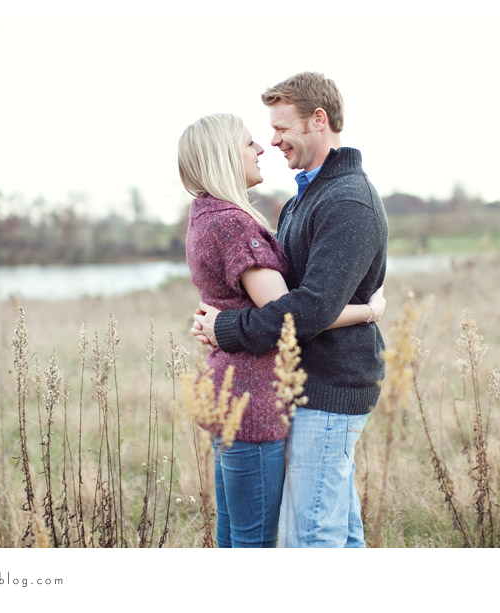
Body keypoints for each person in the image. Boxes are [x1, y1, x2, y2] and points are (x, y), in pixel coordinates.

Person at [192, 73, 389, 548]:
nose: (272, 141)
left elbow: (310, 309)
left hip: (330, 387)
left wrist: (228, 328)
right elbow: (288, 295)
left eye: (281, 128)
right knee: (338, 530)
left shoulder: (347, 201)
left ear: (318, 120)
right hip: (304, 385)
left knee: (310, 537)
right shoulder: (305, 197)